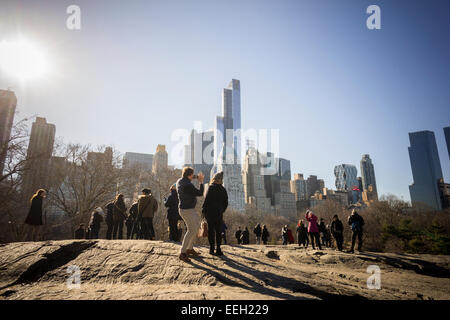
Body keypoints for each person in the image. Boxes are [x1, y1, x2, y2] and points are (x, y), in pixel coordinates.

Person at [176, 167, 205, 262]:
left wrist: (196, 177)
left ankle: (189, 248)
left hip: (186, 209)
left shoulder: (180, 181)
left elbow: (190, 177)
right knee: (191, 230)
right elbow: (200, 193)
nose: (194, 176)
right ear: (189, 175)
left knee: (196, 227)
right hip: (187, 210)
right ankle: (183, 252)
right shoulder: (188, 185)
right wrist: (200, 182)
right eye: (193, 175)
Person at [202, 171, 228, 256]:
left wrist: (203, 210)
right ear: (220, 180)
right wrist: (222, 210)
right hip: (218, 213)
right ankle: (219, 249)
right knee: (218, 231)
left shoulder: (211, 187)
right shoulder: (223, 189)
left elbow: (206, 200)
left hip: (209, 213)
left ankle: (212, 248)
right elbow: (226, 202)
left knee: (211, 230)